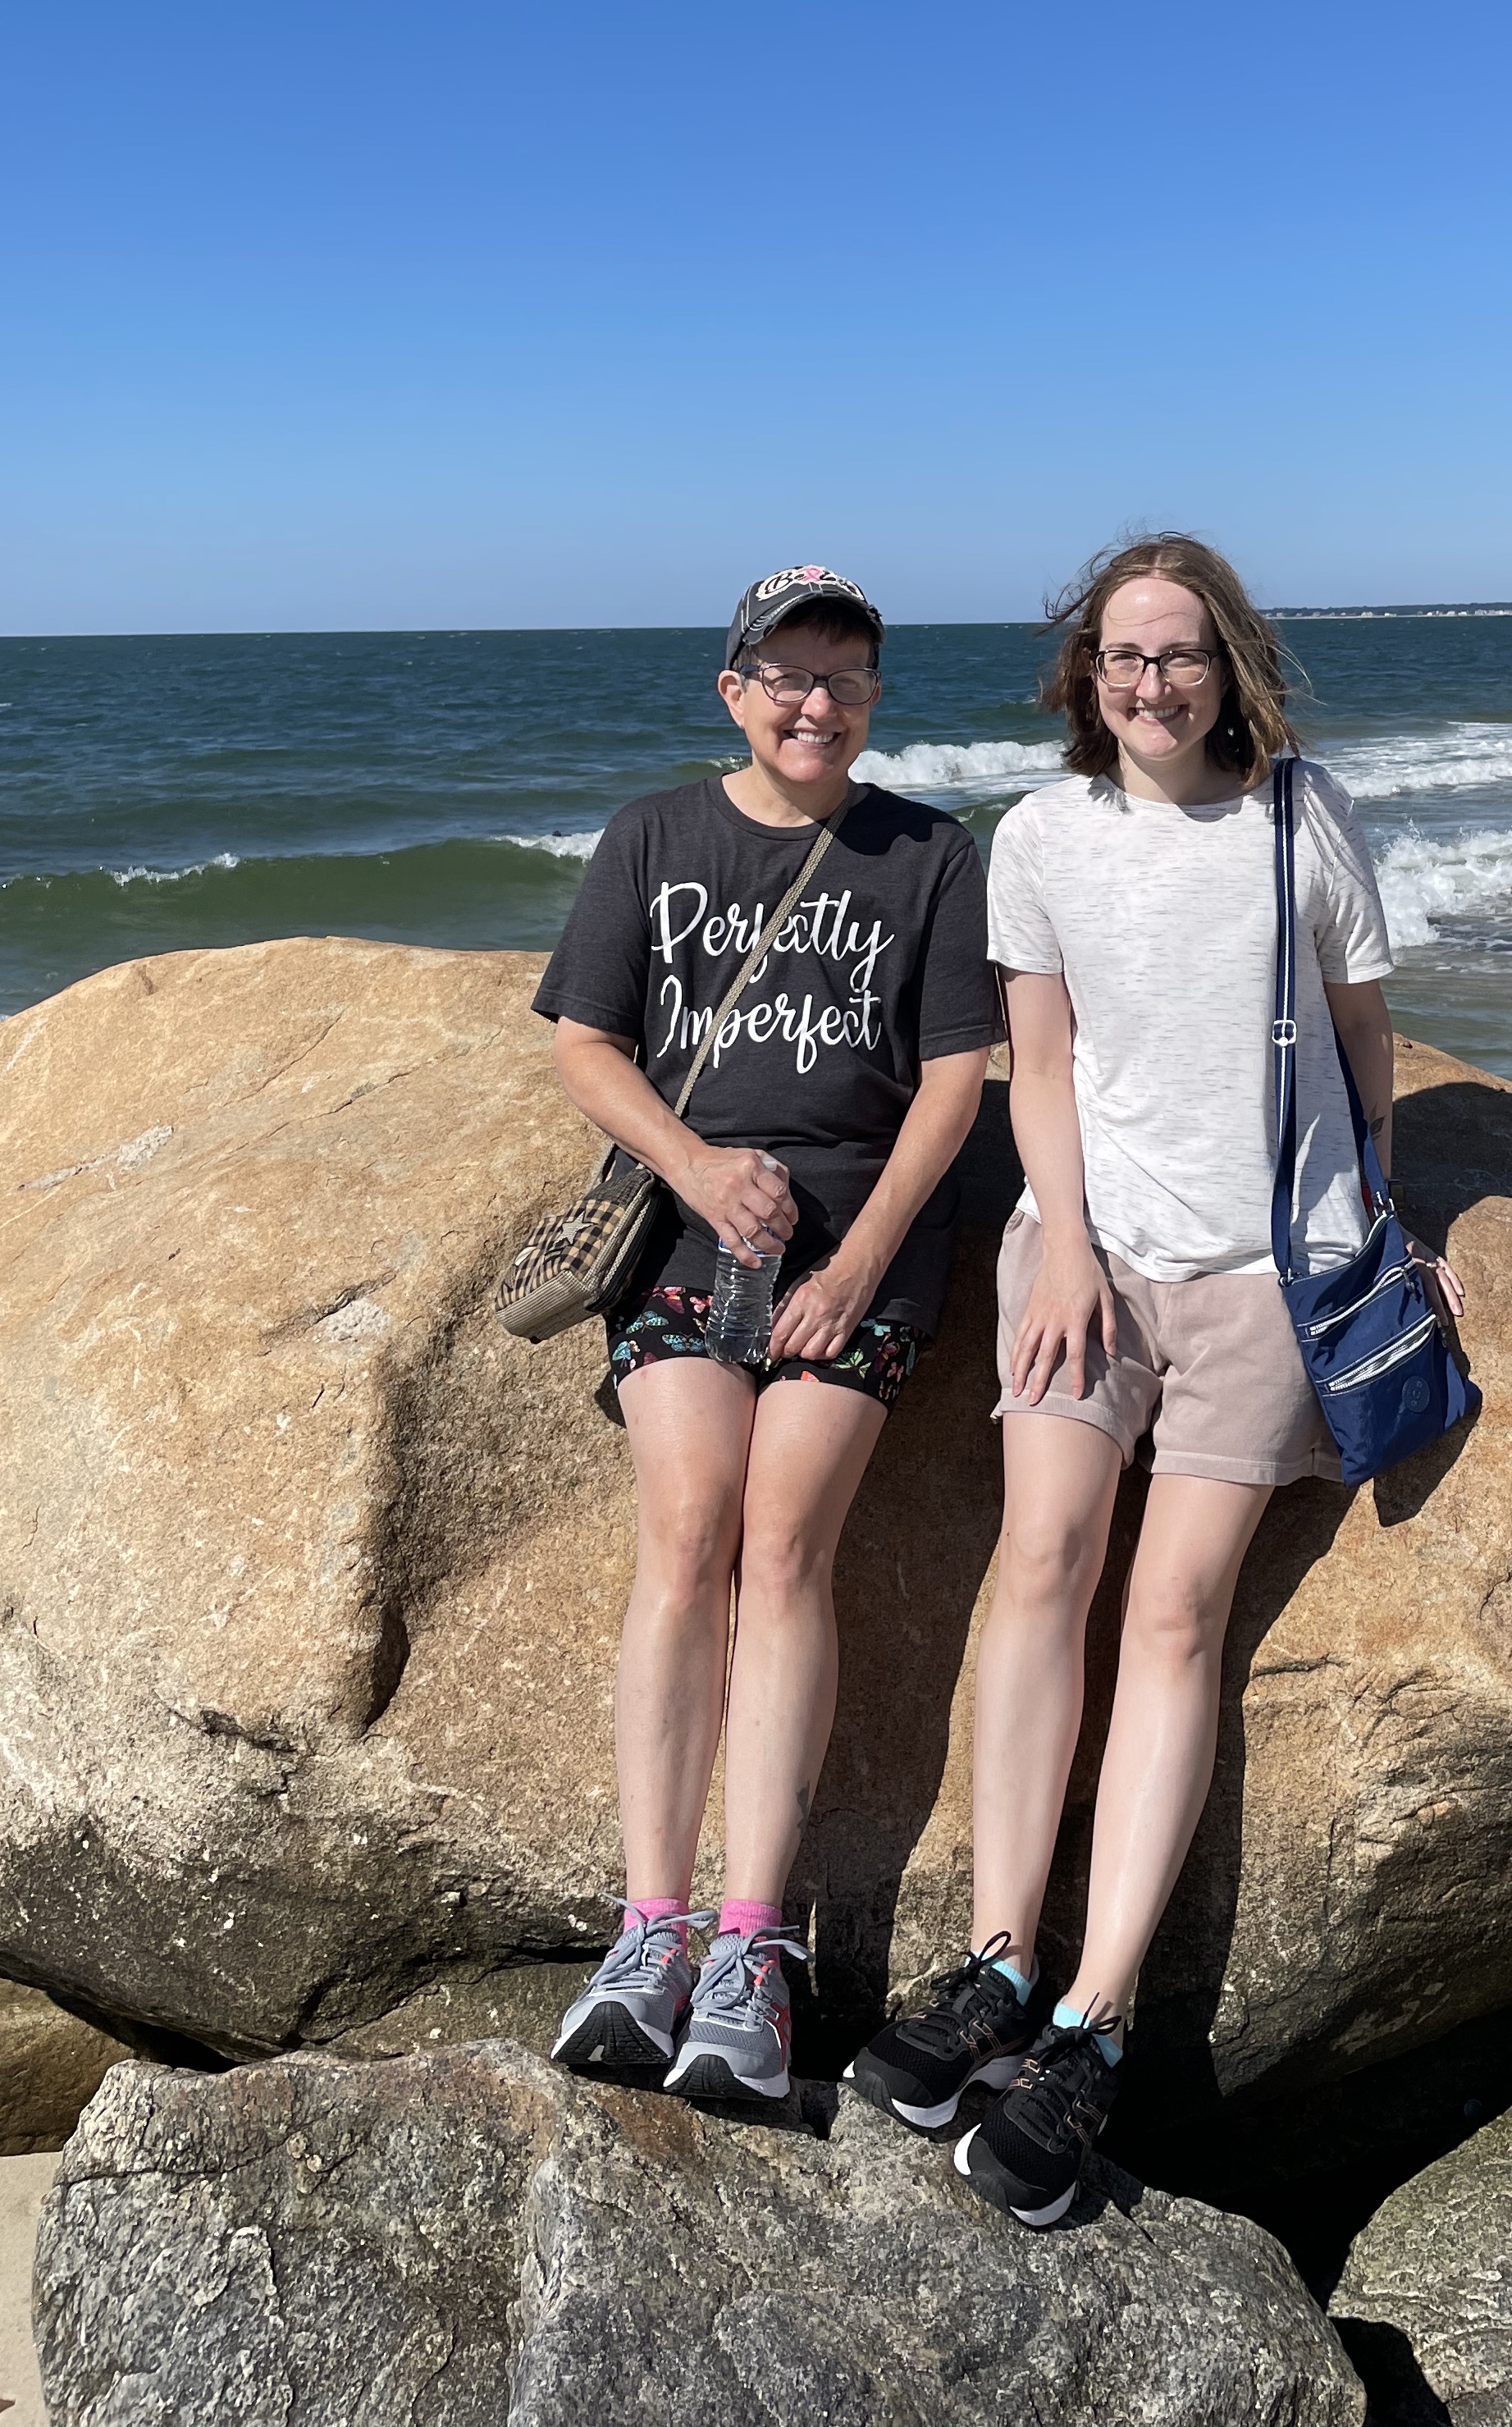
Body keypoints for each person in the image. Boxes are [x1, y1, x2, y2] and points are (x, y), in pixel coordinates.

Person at [847, 534, 1459, 2221]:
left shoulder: (1300, 818)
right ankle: (996, 1958)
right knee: (1040, 1568)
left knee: (1176, 1616)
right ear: (1083, 674)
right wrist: (1065, 1247)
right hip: (1086, 1263)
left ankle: (1096, 2018)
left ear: (1230, 664)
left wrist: (1379, 1219)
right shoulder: (1036, 839)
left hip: (1268, 1269)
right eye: (1122, 656)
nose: (1150, 682)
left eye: (1180, 654)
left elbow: (1362, 1038)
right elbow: (1036, 1062)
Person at [538, 564, 998, 2105]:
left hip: (860, 1255)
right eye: (789, 675)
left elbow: (952, 1082)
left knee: (787, 1544)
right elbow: (584, 1042)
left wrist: (863, 1259)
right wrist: (692, 1163)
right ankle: (651, 1924)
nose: (819, 703)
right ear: (734, 690)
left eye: (849, 679)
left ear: (874, 702)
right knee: (687, 1532)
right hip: (683, 1233)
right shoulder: (654, 836)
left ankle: (753, 1943)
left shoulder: (932, 856)